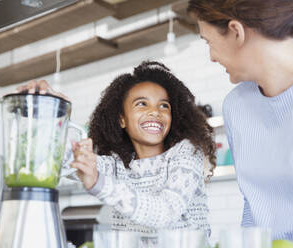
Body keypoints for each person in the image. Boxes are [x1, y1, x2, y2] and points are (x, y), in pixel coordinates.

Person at [187, 0, 293, 247]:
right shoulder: (236, 107)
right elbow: (254, 203)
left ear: (236, 32)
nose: (212, 57)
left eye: (209, 42)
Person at [16, 61, 216, 239]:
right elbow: (58, 156)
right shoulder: (115, 166)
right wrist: (47, 112)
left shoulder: (187, 153)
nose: (155, 111)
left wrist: (98, 183)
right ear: (122, 119)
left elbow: (165, 212)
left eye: (164, 106)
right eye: (142, 103)